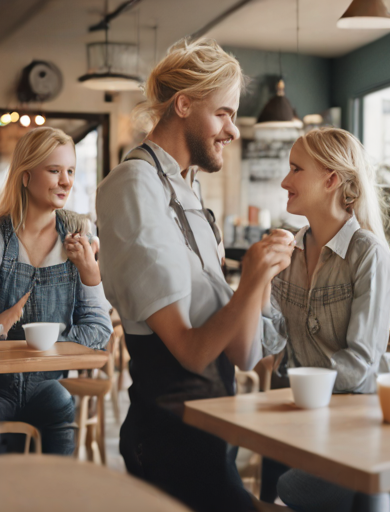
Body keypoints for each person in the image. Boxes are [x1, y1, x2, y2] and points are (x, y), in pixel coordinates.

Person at [96, 38, 294, 512]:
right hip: (170, 436)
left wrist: (260, 282)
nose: (234, 131)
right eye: (223, 114)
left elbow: (242, 354)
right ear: (183, 105)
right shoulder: (132, 186)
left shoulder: (188, 190)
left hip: (213, 426)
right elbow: (190, 350)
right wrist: (248, 282)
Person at [0, 127, 113, 455]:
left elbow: (99, 331)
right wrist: (4, 321)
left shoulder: (79, 234)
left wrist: (90, 272)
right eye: (54, 171)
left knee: (61, 405)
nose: (66, 181)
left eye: (70, 171)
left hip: (48, 387)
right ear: (25, 177)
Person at [267, 127, 390, 511]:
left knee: (288, 490)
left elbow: (360, 364)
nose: (284, 181)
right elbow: (268, 342)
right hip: (299, 422)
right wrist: (257, 280)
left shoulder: (368, 255)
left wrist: (296, 390)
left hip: (353, 427)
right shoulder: (286, 251)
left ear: (331, 179)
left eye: (295, 169)